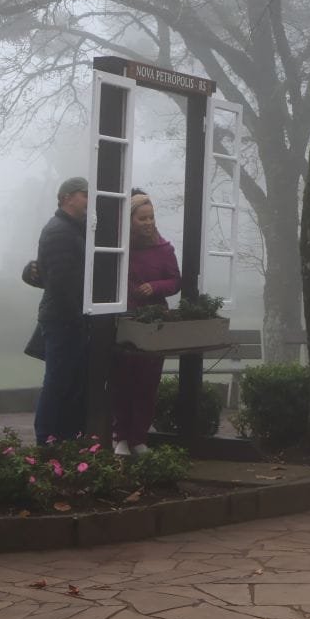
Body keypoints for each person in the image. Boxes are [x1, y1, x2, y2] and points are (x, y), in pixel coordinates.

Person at [112, 189, 181, 457]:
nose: (149, 223)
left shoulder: (164, 249)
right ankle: (120, 438)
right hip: (127, 322)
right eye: (142, 219)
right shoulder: (119, 248)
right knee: (122, 381)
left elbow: (176, 280)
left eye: (151, 217)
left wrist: (156, 287)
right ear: (130, 220)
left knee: (148, 382)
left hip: (155, 323)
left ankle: (139, 437)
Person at [31, 176, 91, 444]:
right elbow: (61, 284)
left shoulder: (75, 229)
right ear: (67, 197)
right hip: (63, 320)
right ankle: (47, 437)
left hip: (71, 319)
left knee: (73, 381)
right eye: (85, 195)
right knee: (58, 381)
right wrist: (80, 318)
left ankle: (67, 434)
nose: (89, 200)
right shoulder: (59, 231)